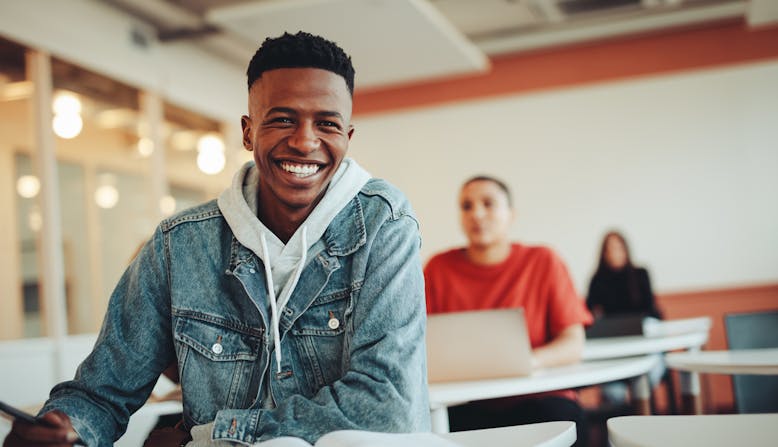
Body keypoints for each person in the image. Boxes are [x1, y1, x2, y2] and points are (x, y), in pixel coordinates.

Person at [4, 31, 429, 446]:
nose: (304, 141)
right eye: (282, 119)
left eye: (327, 123)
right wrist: (68, 427)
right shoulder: (179, 245)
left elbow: (386, 407)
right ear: (248, 132)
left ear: (346, 138)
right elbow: (101, 393)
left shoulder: (383, 224)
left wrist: (209, 437)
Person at [424, 175, 593, 447]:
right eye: (467, 206)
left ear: (511, 215)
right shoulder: (437, 268)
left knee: (562, 418)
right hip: (466, 401)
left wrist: (527, 362)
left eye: (488, 204)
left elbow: (573, 343)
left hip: (538, 397)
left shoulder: (543, 261)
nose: (477, 214)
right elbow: (422, 344)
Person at [586, 230, 664, 405]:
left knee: (649, 376)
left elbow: (652, 311)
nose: (614, 252)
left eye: (618, 247)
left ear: (626, 249)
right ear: (603, 253)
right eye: (609, 248)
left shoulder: (640, 274)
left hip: (644, 343)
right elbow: (588, 315)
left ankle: (641, 406)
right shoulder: (597, 280)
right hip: (614, 349)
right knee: (613, 391)